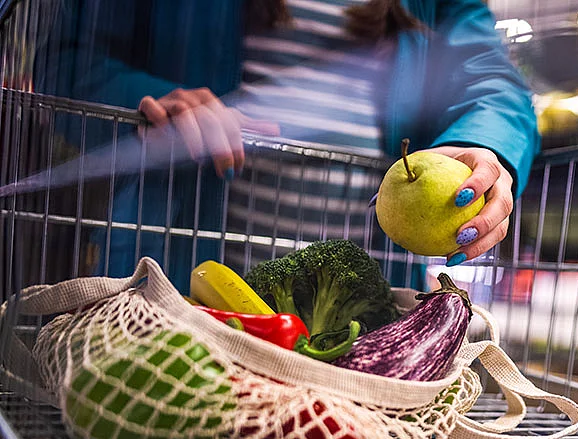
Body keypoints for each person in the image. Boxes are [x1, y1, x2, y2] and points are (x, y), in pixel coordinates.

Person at [40, 0, 539, 290]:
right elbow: (64, 60)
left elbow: (494, 84)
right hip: (176, 278)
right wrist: (146, 104)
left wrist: (482, 145)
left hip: (359, 308)